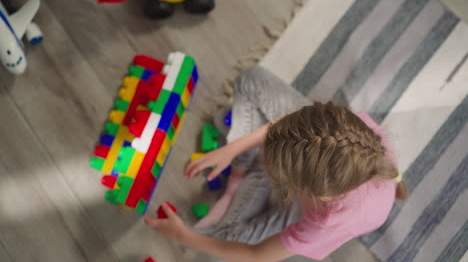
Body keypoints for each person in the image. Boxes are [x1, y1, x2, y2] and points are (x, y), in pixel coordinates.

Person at [145, 66, 407, 261]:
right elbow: (283, 126)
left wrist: (184, 237)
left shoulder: (325, 221)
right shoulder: (354, 129)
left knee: (216, 244)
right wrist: (234, 150)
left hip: (311, 203)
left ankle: (248, 177)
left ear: (316, 195)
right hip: (315, 157)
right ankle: (240, 176)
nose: (266, 155)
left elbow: (257, 255)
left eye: (277, 169)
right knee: (250, 79)